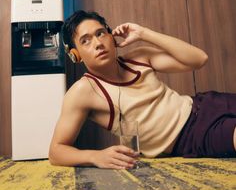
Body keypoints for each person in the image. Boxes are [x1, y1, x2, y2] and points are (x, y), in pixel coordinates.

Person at [49, 10, 236, 169]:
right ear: (76, 55)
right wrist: (95, 157)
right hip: (191, 137)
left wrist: (144, 33)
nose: (98, 43)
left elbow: (199, 58)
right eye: (85, 41)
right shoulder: (84, 91)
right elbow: (56, 151)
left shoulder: (139, 57)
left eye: (100, 33)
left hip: (206, 104)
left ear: (111, 37)